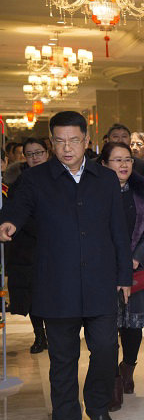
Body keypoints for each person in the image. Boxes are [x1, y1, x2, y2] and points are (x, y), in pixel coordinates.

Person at [0, 111, 132, 420]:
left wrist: (124, 276)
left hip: (100, 281)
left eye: (74, 140)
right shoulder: (35, 179)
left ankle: (98, 409)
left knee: (106, 350)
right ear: (51, 143)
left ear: (87, 141)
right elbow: (17, 208)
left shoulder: (105, 178)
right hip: (57, 284)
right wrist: (9, 223)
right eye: (60, 141)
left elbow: (119, 229)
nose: (67, 147)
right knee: (62, 359)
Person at [99, 141, 144, 412]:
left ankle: (128, 369)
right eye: (117, 160)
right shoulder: (95, 193)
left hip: (136, 270)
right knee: (106, 330)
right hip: (103, 271)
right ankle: (113, 383)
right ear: (104, 164)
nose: (124, 165)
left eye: (128, 159)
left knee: (133, 327)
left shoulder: (142, 191)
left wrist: (135, 258)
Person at [5, 138, 50, 353]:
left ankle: (55, 333)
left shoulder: (58, 178)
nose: (35, 158)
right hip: (28, 248)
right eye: (30, 154)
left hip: (55, 244)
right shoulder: (18, 182)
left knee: (53, 292)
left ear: (47, 153)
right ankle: (39, 335)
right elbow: (15, 212)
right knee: (34, 294)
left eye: (38, 153)